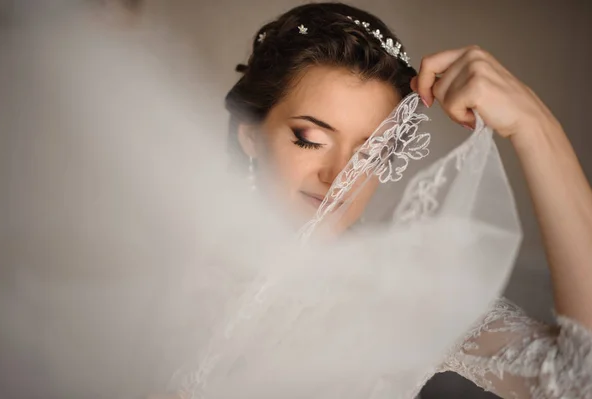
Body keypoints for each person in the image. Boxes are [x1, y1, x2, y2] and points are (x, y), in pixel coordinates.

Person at [164, 3, 592, 398]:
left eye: (369, 154)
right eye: (310, 139)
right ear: (252, 137)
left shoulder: (404, 298)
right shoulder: (180, 258)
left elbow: (580, 376)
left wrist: (534, 126)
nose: (338, 178)